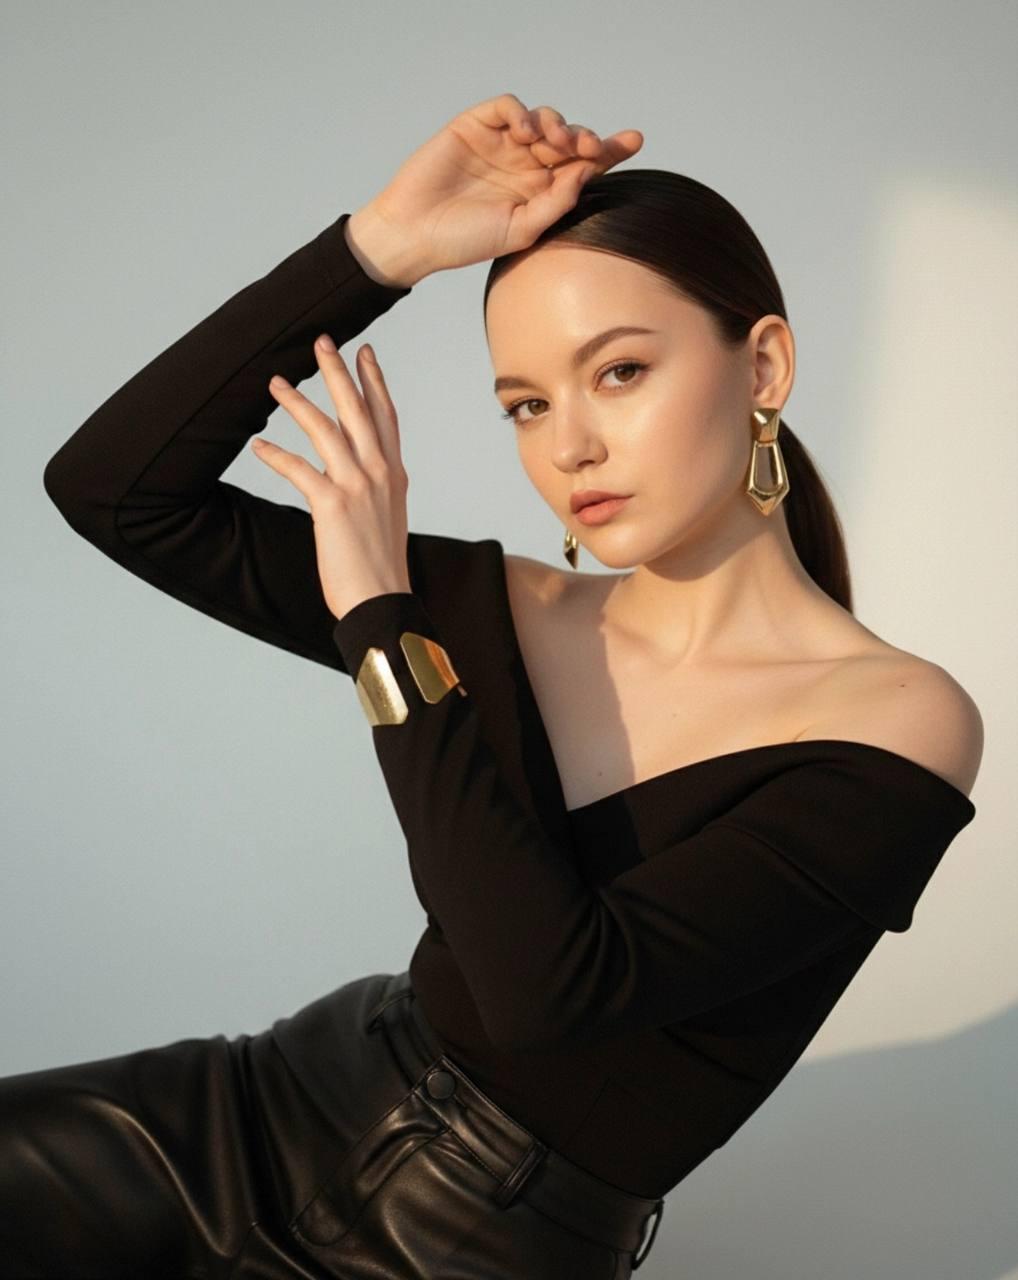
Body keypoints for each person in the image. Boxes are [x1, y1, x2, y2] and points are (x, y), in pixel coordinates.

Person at [4, 92, 981, 1278]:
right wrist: (381, 247)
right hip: (259, 1101)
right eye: (527, 403)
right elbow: (113, 489)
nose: (568, 446)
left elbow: (550, 991)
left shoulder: (897, 721)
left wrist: (379, 622)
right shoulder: (499, 608)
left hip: (471, 1240)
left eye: (619, 370)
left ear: (762, 363)